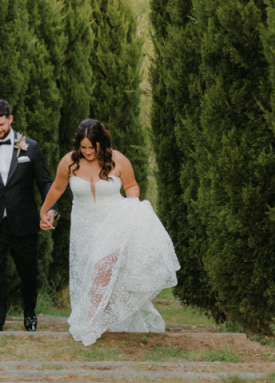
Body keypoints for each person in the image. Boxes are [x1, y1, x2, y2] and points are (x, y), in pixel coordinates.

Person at [41, 118, 179, 346]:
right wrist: (44, 211)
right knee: (90, 273)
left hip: (114, 223)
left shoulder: (118, 159)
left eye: (91, 148)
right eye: (83, 147)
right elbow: (57, 187)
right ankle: (103, 321)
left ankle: (94, 323)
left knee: (101, 268)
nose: (87, 152)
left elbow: (132, 186)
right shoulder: (69, 162)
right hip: (84, 228)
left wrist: (133, 209)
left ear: (101, 144)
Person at [0, 99, 57, 332]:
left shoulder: (31, 147)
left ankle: (30, 314)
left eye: (1, 124)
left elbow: (45, 182)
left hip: (24, 224)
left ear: (10, 119)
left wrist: (51, 208)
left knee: (29, 275)